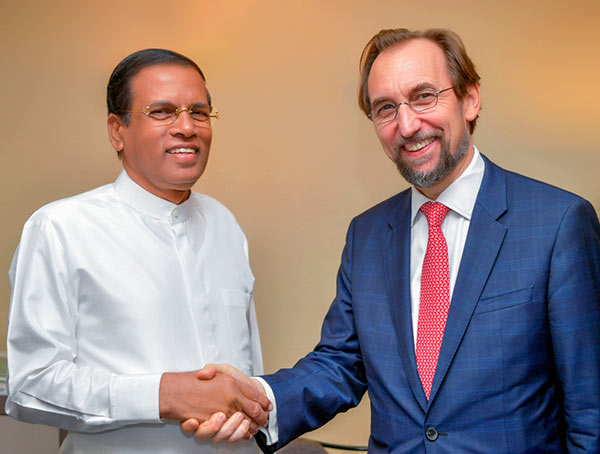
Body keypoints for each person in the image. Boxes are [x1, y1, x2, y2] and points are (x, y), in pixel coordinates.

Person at [185, 28, 600, 453]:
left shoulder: (558, 223)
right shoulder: (367, 234)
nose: (407, 125)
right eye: (386, 108)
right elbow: (341, 364)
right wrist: (259, 399)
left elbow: (591, 409)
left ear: (470, 98)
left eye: (423, 97)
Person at [5, 48, 271, 453]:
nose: (187, 127)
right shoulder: (60, 229)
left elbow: (246, 371)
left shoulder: (225, 226)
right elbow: (31, 385)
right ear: (117, 130)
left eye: (199, 112)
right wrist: (163, 394)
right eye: (162, 111)